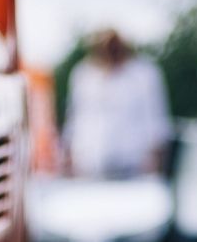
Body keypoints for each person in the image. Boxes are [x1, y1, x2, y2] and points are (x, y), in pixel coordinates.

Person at [63, 29, 172, 179]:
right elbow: (74, 117)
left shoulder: (145, 74)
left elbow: (156, 118)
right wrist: (69, 155)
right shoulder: (82, 74)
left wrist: (156, 158)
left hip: (135, 165)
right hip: (89, 165)